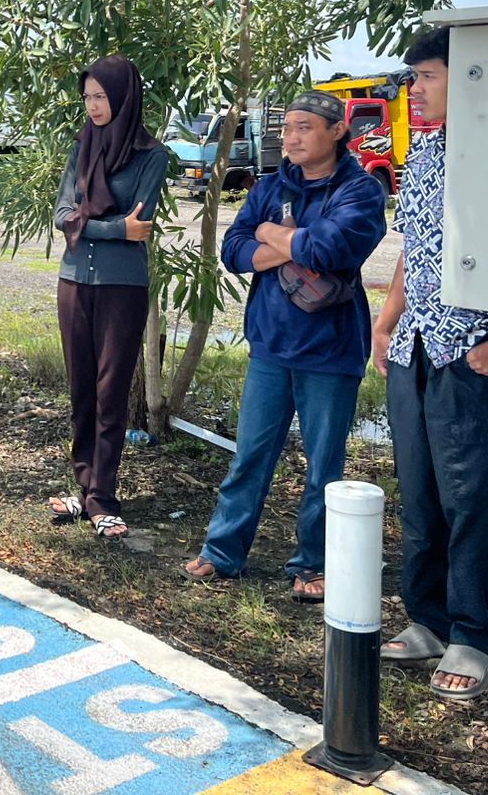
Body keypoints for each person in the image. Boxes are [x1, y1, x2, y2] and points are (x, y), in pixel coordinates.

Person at [373, 26, 488, 701]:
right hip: (416, 344)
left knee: (476, 497)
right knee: (421, 493)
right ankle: (431, 620)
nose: (416, 90)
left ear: (470, 79)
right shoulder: (427, 150)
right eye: (414, 78)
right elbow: (414, 248)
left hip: (478, 353)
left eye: (429, 76)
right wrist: (386, 323)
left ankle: (475, 636)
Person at [183, 91, 387, 601]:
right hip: (271, 344)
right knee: (250, 455)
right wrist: (285, 240)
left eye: (303, 128)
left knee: (324, 467)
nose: (291, 138)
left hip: (331, 350)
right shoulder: (272, 186)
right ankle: (222, 552)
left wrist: (270, 236)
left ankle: (312, 565)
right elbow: (233, 251)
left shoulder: (359, 191)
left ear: (336, 130)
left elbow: (330, 249)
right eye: (287, 129)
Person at [47, 55, 171, 540]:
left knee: (110, 391)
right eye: (87, 98)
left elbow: (140, 227)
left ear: (122, 96)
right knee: (80, 388)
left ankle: (103, 497)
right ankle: (85, 488)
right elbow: (63, 215)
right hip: (74, 282)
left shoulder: (151, 156)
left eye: (100, 96)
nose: (93, 106)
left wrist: (92, 226)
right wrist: (113, 226)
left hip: (123, 287)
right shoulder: (81, 147)